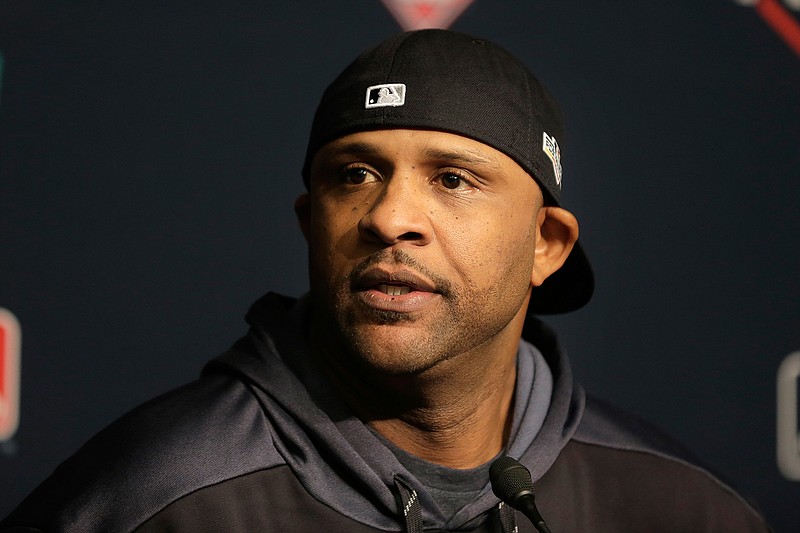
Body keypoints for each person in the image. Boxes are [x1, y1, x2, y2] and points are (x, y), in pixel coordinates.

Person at [1, 29, 769, 532]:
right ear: (310, 223)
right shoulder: (155, 500)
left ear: (547, 243)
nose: (390, 215)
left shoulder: (683, 507)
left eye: (454, 179)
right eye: (356, 173)